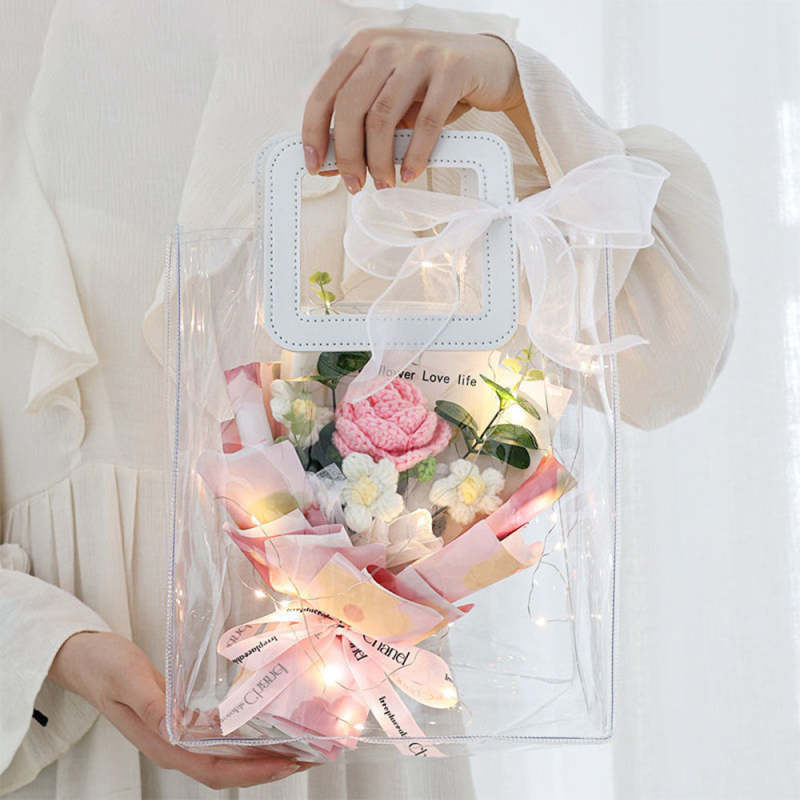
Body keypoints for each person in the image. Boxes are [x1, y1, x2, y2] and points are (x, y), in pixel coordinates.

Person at [0, 2, 734, 798]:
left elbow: (669, 360)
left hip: (361, 711)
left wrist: (518, 90)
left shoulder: (392, 33)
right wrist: (51, 643)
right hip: (76, 715)